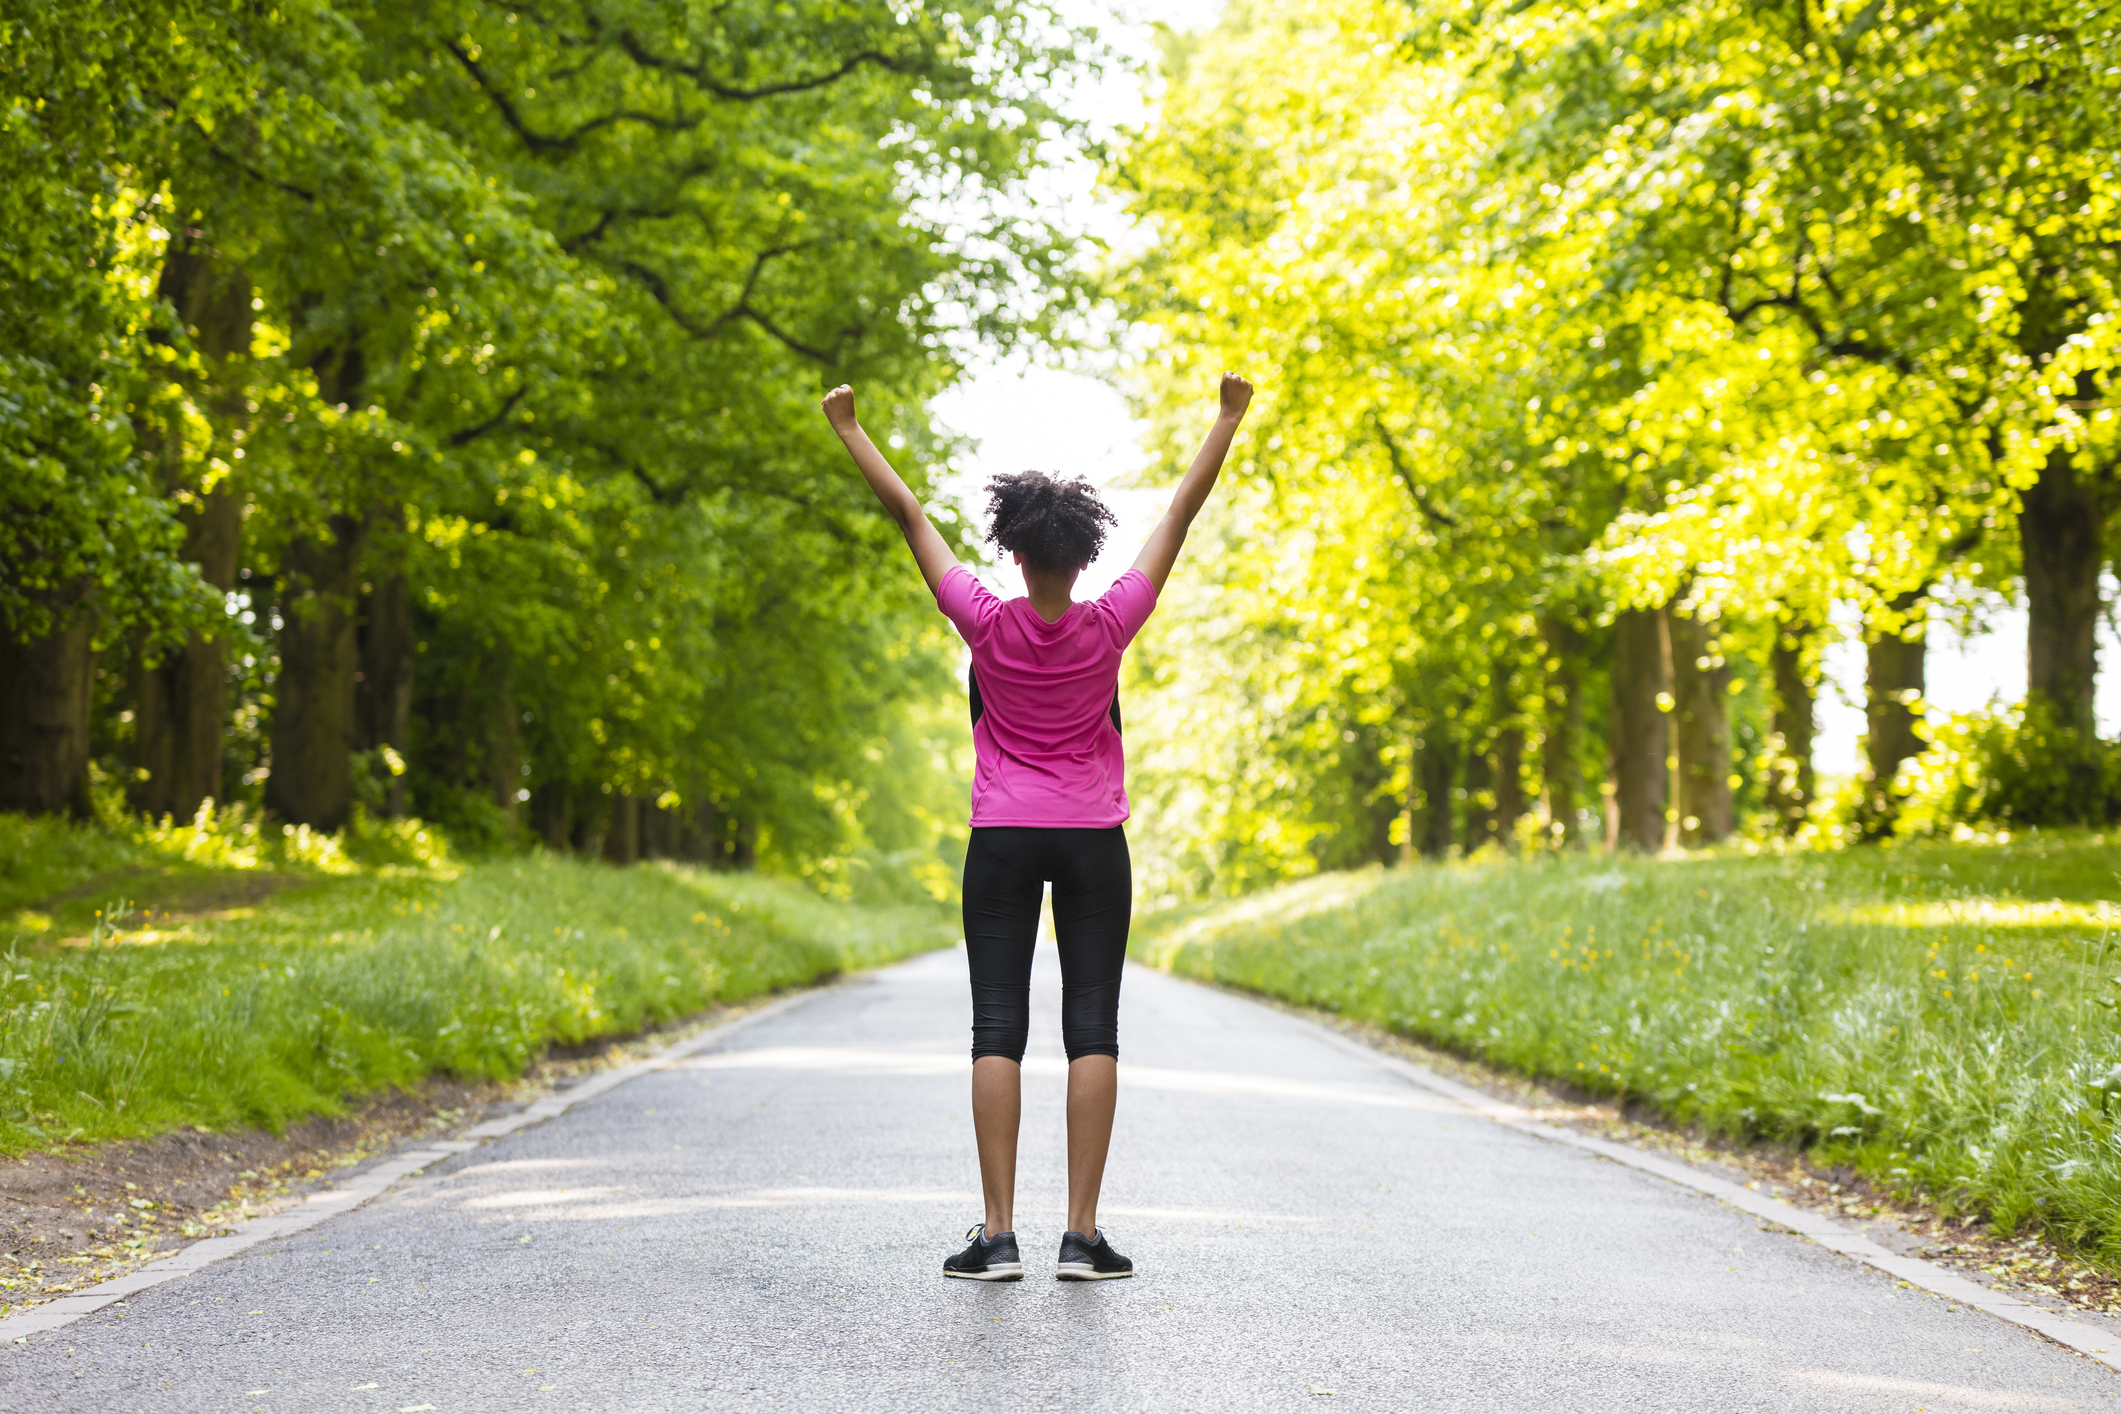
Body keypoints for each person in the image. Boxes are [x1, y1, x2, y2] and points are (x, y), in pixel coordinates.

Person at [821, 372, 1254, 1282]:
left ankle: (997, 1236)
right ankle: (1082, 1237)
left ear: (1015, 556)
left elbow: (909, 517)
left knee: (995, 1028)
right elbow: (1177, 515)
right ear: (1082, 557)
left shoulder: (982, 622)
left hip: (1003, 841)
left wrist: (850, 429)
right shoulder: (1110, 624)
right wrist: (1224, 419)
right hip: (1094, 840)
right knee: (1093, 1027)